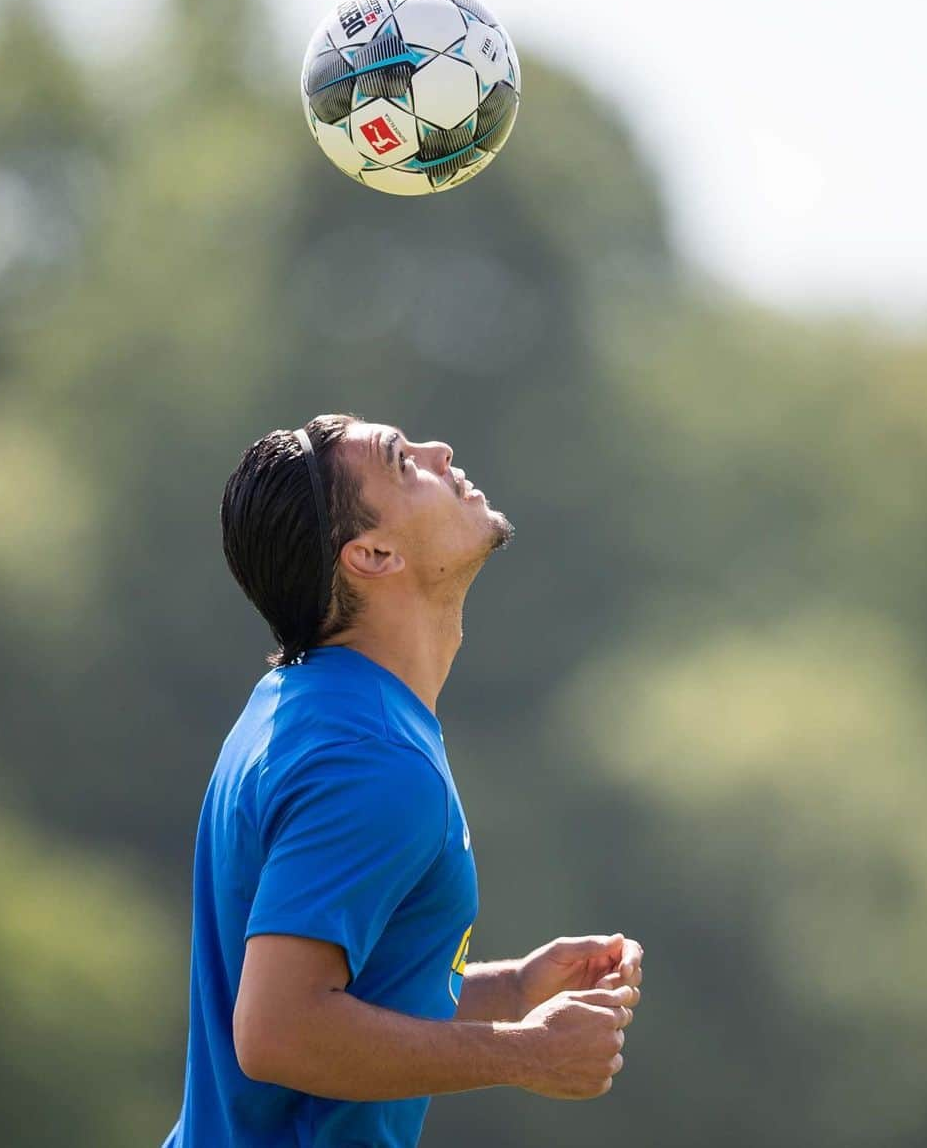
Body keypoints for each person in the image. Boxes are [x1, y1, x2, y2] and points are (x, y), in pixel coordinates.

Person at [162, 412, 643, 1148]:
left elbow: (355, 992)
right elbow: (279, 1030)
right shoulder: (372, 756)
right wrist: (527, 1053)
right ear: (374, 553)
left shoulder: (315, 701)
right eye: (401, 460)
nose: (439, 449)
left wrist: (513, 990)